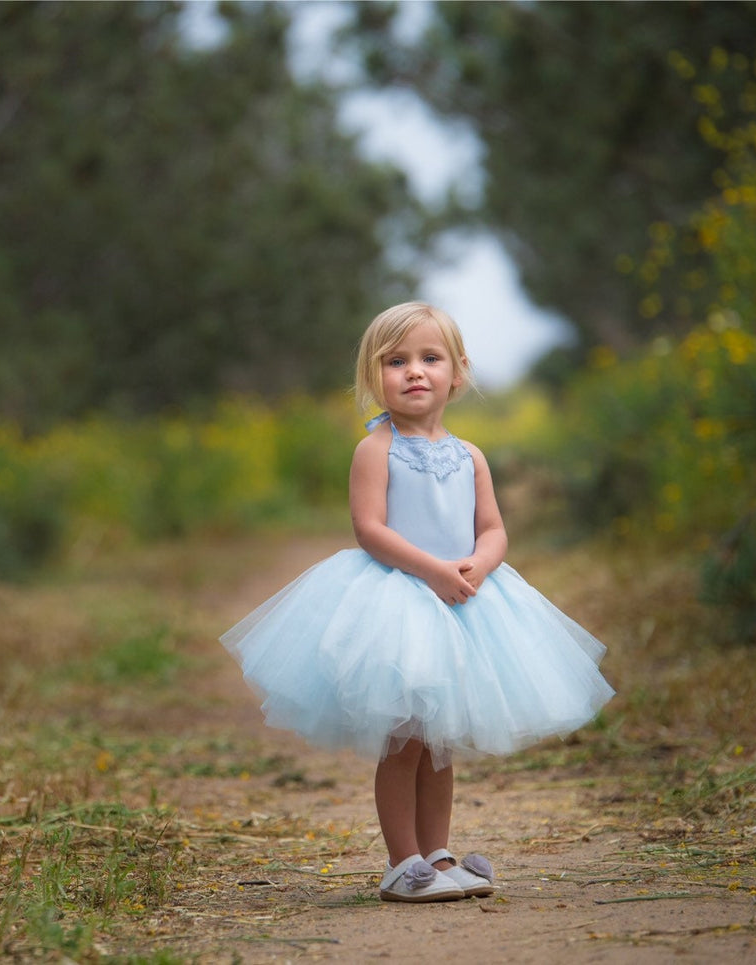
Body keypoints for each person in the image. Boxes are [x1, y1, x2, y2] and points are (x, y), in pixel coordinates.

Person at [221, 302, 614, 903]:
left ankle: (439, 853)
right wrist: (433, 569)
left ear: (457, 372)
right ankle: (401, 862)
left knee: (440, 746)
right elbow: (370, 529)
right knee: (403, 741)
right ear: (373, 376)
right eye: (395, 361)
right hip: (400, 601)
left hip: (463, 600)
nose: (414, 372)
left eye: (430, 358)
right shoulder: (376, 450)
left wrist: (479, 564)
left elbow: (493, 529)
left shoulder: (471, 455)